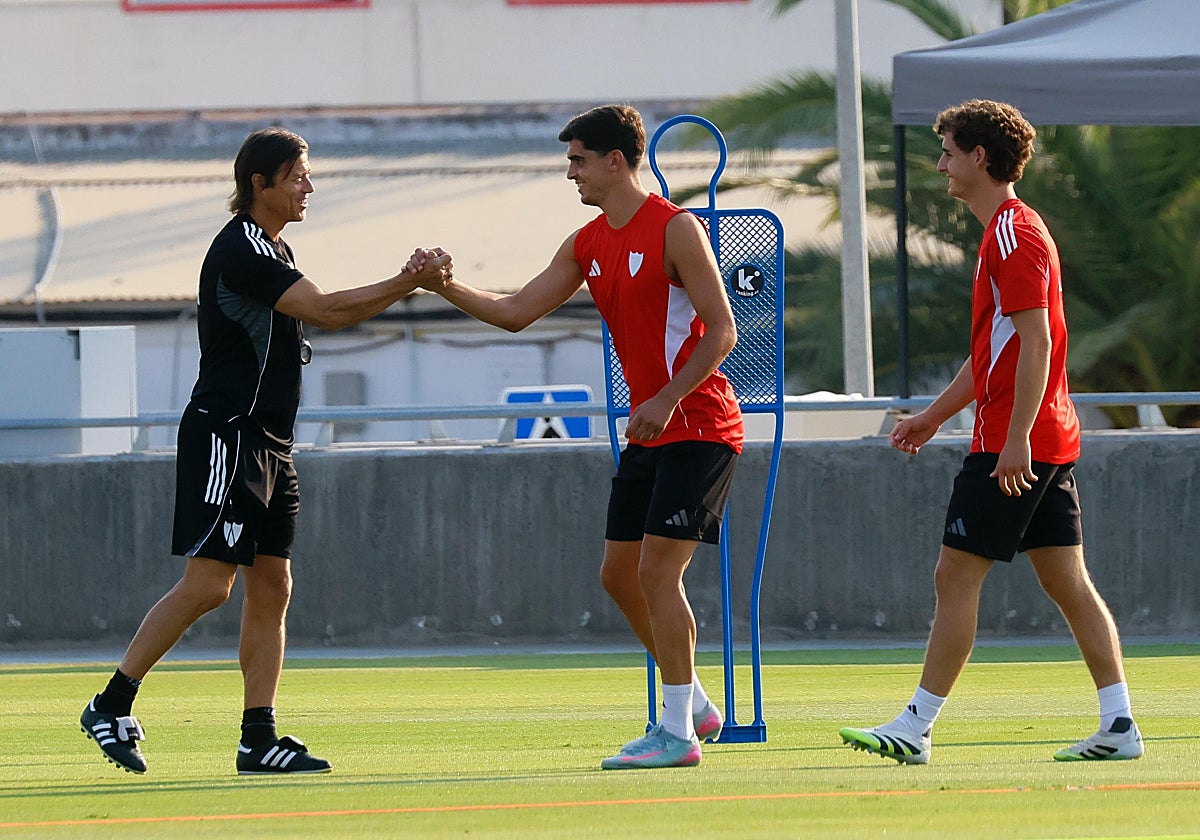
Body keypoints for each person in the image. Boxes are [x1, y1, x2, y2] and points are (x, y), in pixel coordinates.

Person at [80, 127, 451, 776]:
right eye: (299, 175)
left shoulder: (275, 245)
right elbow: (330, 310)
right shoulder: (242, 250)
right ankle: (110, 704)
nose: (310, 186)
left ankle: (259, 738)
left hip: (270, 444)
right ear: (261, 183)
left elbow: (324, 312)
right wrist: (409, 279)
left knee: (273, 585)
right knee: (208, 586)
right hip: (230, 434)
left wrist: (406, 282)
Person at [409, 104, 744, 769]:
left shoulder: (675, 229)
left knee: (656, 571)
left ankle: (678, 735)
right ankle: (696, 703)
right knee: (619, 576)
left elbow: (723, 329)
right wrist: (442, 285)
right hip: (651, 434)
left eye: (578, 160)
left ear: (615, 162)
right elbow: (514, 314)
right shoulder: (586, 243)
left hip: (701, 425)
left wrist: (667, 395)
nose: (571, 174)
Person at [839, 100, 1142, 765]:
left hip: (1018, 442)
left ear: (979, 158)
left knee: (955, 574)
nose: (940, 163)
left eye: (947, 150)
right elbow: (993, 353)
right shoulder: (1001, 233)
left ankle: (915, 727)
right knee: (1067, 582)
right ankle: (1120, 725)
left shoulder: (1014, 233)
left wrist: (1014, 441)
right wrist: (934, 416)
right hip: (1034, 437)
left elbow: (1035, 345)